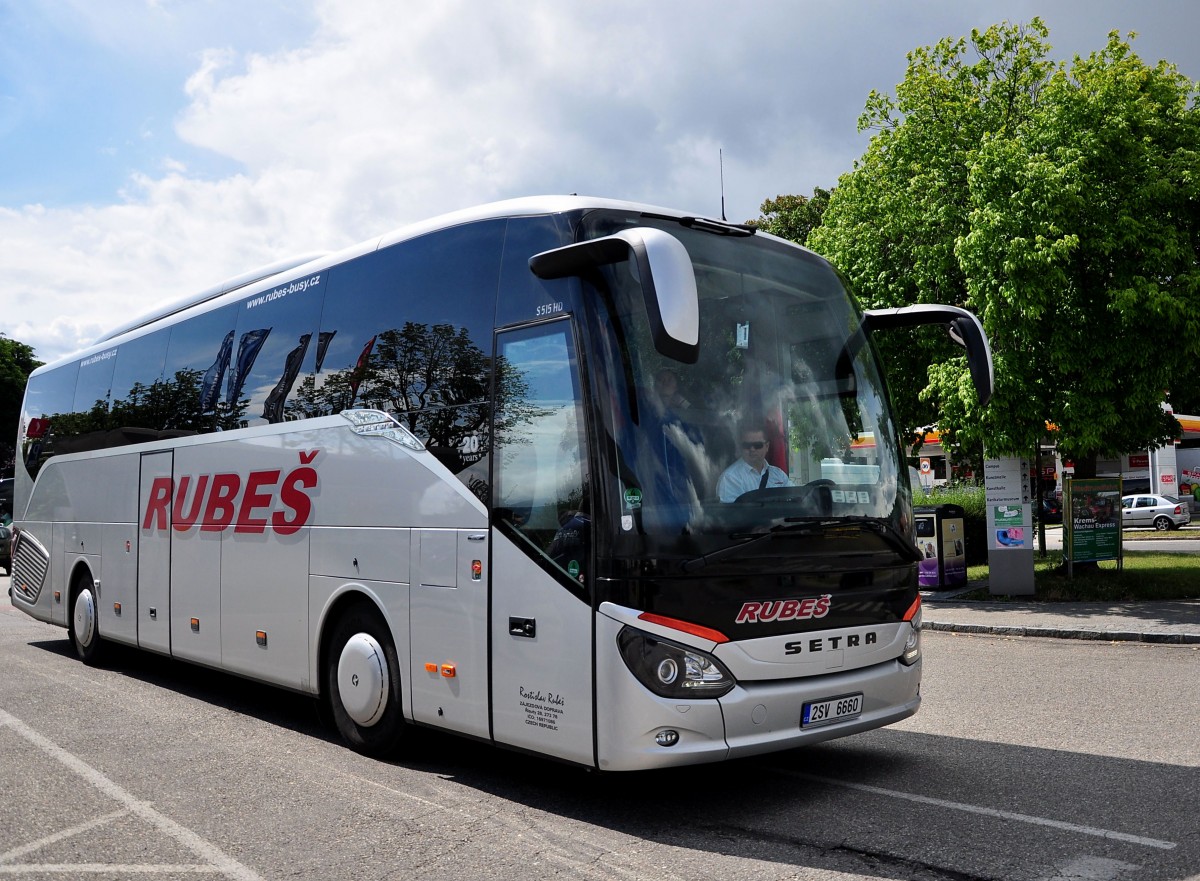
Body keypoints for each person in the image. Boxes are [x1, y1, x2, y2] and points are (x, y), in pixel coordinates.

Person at [717, 424, 790, 502]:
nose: (752, 449)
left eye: (757, 445)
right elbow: (731, 513)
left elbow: (796, 498)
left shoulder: (779, 475)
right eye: (747, 445)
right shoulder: (730, 478)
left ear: (767, 446)